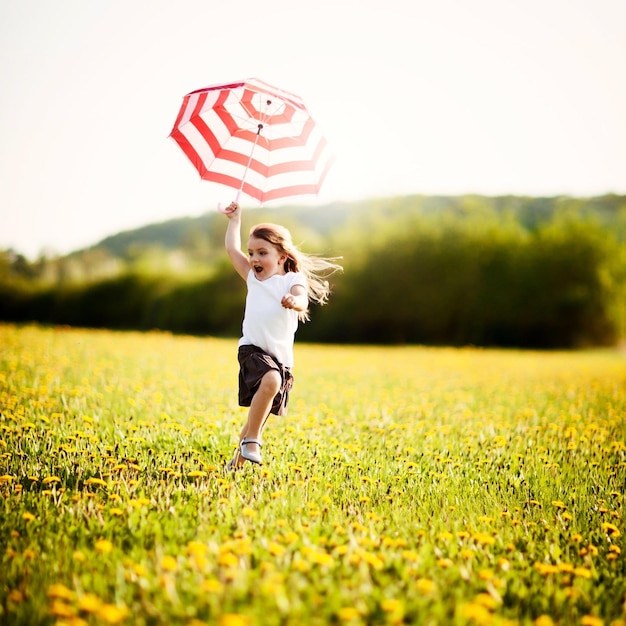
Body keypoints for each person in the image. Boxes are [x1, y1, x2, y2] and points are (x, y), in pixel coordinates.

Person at [223, 201, 342, 470]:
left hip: (280, 360)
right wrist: (234, 220)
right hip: (252, 349)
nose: (254, 259)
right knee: (271, 380)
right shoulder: (253, 278)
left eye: (262, 252)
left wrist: (294, 301)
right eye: (251, 252)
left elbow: (302, 300)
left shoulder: (291, 279)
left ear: (281, 256)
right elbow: (231, 249)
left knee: (259, 412)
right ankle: (253, 440)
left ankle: (236, 463)